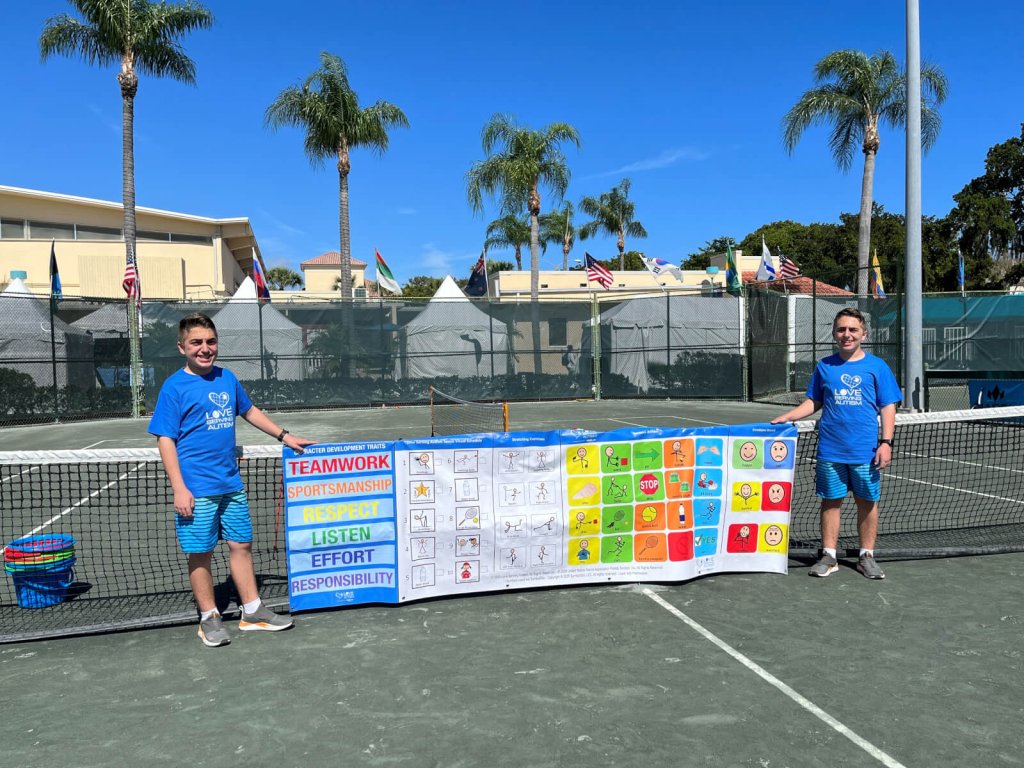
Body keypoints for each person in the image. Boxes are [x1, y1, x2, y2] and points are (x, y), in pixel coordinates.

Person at [149, 313, 315, 647]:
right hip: (196, 489)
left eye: (210, 342)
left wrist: (284, 435)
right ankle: (209, 617)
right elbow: (165, 439)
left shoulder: (227, 378)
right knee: (201, 553)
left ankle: (252, 611)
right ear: (182, 347)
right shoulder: (174, 387)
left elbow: (249, 411)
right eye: (196, 342)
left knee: (241, 545)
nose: (205, 349)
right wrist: (179, 488)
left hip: (231, 484)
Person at [771, 307, 900, 579]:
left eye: (853, 329)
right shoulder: (825, 366)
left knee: (867, 502)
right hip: (830, 449)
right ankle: (829, 556)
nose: (847, 335)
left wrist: (886, 442)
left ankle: (867, 556)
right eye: (841, 329)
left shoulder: (877, 367)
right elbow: (814, 402)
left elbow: (888, 406)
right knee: (830, 502)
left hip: (865, 451)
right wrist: (788, 417)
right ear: (834, 334)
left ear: (864, 334)